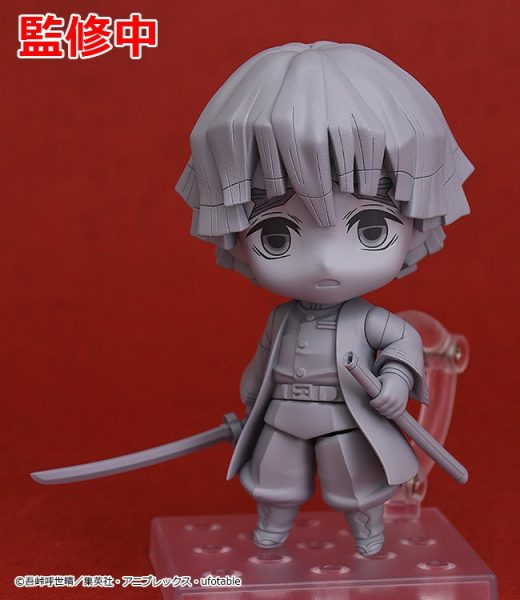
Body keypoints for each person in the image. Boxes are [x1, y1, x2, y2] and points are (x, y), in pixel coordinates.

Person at [176, 42, 472, 556]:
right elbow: (263, 362)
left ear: (417, 220)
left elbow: (401, 346)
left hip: (348, 419)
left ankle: (369, 533)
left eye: (371, 228)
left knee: (357, 482)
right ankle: (271, 529)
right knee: (275, 477)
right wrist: (250, 401)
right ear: (233, 235)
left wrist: (396, 382)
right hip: (282, 416)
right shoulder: (282, 319)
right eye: (276, 235)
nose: (327, 262)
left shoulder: (370, 321)